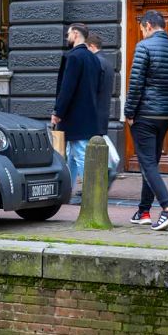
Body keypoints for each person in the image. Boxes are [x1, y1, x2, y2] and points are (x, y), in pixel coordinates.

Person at [125, 10, 168, 231]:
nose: (142, 33)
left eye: (142, 29)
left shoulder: (144, 47)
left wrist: (129, 112)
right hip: (166, 115)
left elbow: (136, 83)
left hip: (145, 114)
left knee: (147, 163)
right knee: (151, 162)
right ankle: (143, 211)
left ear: (148, 26)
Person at [52, 23, 102, 202]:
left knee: (79, 155)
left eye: (68, 34)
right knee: (72, 156)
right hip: (89, 114)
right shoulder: (93, 58)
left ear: (75, 34)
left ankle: (92, 197)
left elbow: (67, 88)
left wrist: (58, 111)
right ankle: (66, 192)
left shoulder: (73, 57)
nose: (67, 38)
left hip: (74, 116)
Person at [85, 32, 118, 188]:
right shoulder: (107, 63)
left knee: (88, 149)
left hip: (92, 112)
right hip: (103, 110)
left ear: (91, 46)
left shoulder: (94, 63)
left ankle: (106, 171)